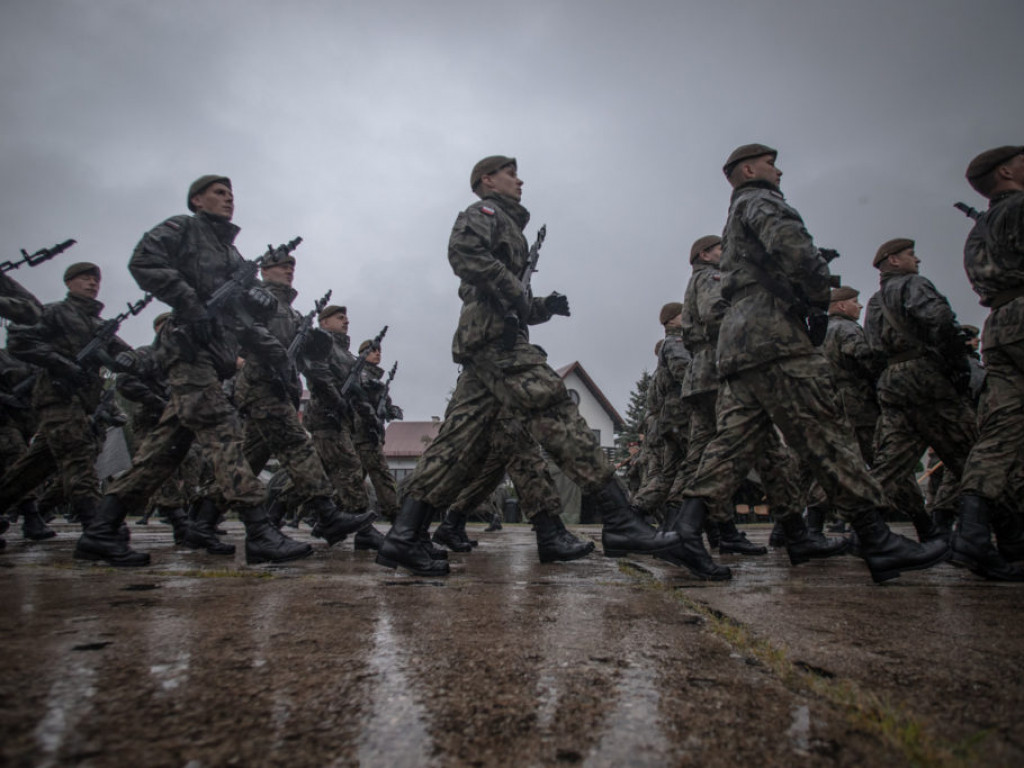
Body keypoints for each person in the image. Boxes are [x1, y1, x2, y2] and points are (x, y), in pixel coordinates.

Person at [376, 155, 678, 576]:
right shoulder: (484, 213)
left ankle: (405, 536)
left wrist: (541, 307)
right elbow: (464, 255)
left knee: (456, 442)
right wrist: (515, 292)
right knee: (553, 406)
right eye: (511, 174)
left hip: (490, 340)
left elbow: (511, 299)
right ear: (487, 180)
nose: (521, 181)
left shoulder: (508, 226)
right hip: (496, 342)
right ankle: (621, 520)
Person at [673, 143, 948, 583]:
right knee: (826, 430)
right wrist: (819, 294)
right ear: (748, 170)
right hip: (774, 335)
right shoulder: (760, 200)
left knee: (734, 442)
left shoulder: (736, 214)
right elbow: (796, 251)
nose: (778, 172)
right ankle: (876, 538)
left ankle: (686, 531)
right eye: (771, 164)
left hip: (741, 341)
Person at [76, 175, 316, 566]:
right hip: (187, 349)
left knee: (163, 452)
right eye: (219, 193)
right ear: (196, 200)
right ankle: (259, 531)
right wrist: (189, 303)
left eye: (231, 195)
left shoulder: (232, 255)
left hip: (213, 355)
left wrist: (260, 302)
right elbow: (143, 262)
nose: (228, 200)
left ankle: (102, 529)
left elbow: (244, 311)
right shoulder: (182, 229)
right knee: (225, 434)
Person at [232, 248, 372, 552]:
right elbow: (316, 373)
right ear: (264, 270)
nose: (288, 270)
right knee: (299, 450)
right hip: (263, 386)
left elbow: (309, 359)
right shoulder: (257, 301)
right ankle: (325, 516)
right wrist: (337, 401)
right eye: (280, 266)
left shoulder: (292, 313)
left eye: (291, 266)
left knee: (244, 460)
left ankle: (205, 517)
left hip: (281, 390)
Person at [1, 262, 133, 543]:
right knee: (78, 457)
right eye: (84, 279)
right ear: (69, 283)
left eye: (95, 280)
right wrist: (60, 363)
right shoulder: (54, 312)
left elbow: (127, 356)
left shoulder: (98, 325)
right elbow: (19, 340)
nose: (92, 284)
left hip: (82, 402)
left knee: (35, 466)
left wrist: (134, 360)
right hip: (57, 397)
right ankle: (97, 529)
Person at [864, 238, 976, 543]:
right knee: (972, 455)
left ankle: (864, 526)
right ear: (894, 261)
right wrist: (957, 364)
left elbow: (871, 348)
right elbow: (939, 320)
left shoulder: (875, 302)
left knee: (889, 464)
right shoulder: (913, 285)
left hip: (892, 380)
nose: (918, 260)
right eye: (911, 255)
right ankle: (990, 535)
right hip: (927, 377)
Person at [949, 145, 1024, 581]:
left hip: (999, 326)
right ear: (1007, 172)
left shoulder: (978, 232)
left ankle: (974, 533)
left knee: (999, 434)